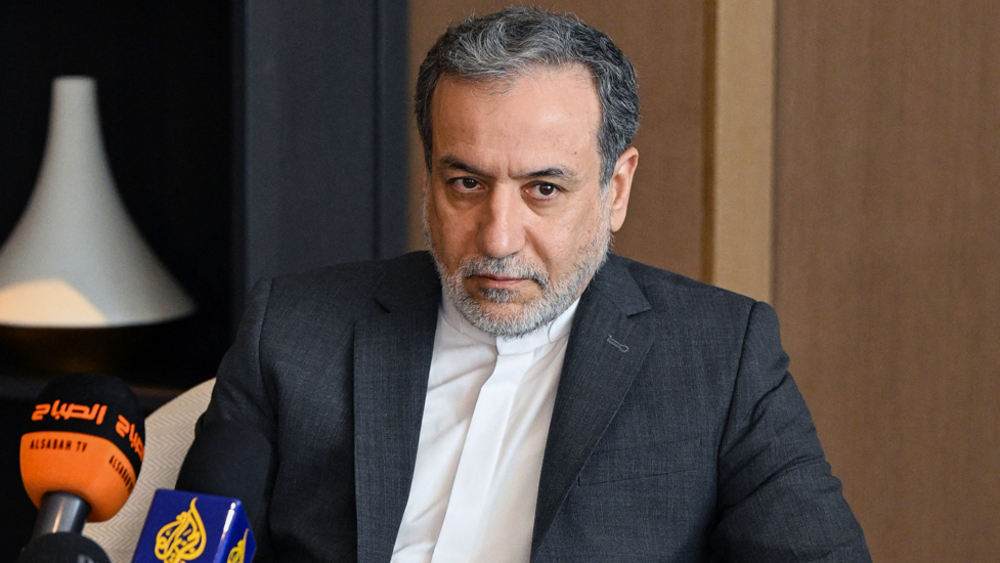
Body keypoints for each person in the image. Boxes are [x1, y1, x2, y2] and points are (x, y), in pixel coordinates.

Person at [198, 7, 871, 562]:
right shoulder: (292, 330)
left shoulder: (721, 360)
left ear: (617, 187)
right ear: (428, 179)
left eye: (543, 189)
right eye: (466, 183)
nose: (497, 236)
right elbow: (185, 547)